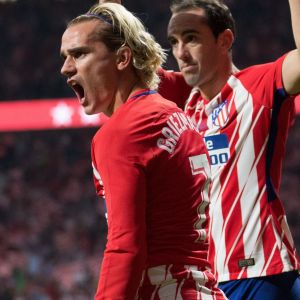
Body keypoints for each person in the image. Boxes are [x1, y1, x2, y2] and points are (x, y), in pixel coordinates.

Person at [100, 0, 300, 299]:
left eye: (191, 38)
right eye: (174, 41)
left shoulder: (259, 85)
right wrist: (110, 6)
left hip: (262, 274)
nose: (180, 52)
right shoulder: (180, 101)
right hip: (207, 282)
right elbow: (119, 68)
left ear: (225, 40)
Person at [60, 3, 227, 299]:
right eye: (66, 57)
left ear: (123, 58)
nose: (66, 68)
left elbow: (126, 246)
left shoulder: (121, 133)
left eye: (80, 54)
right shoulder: (174, 113)